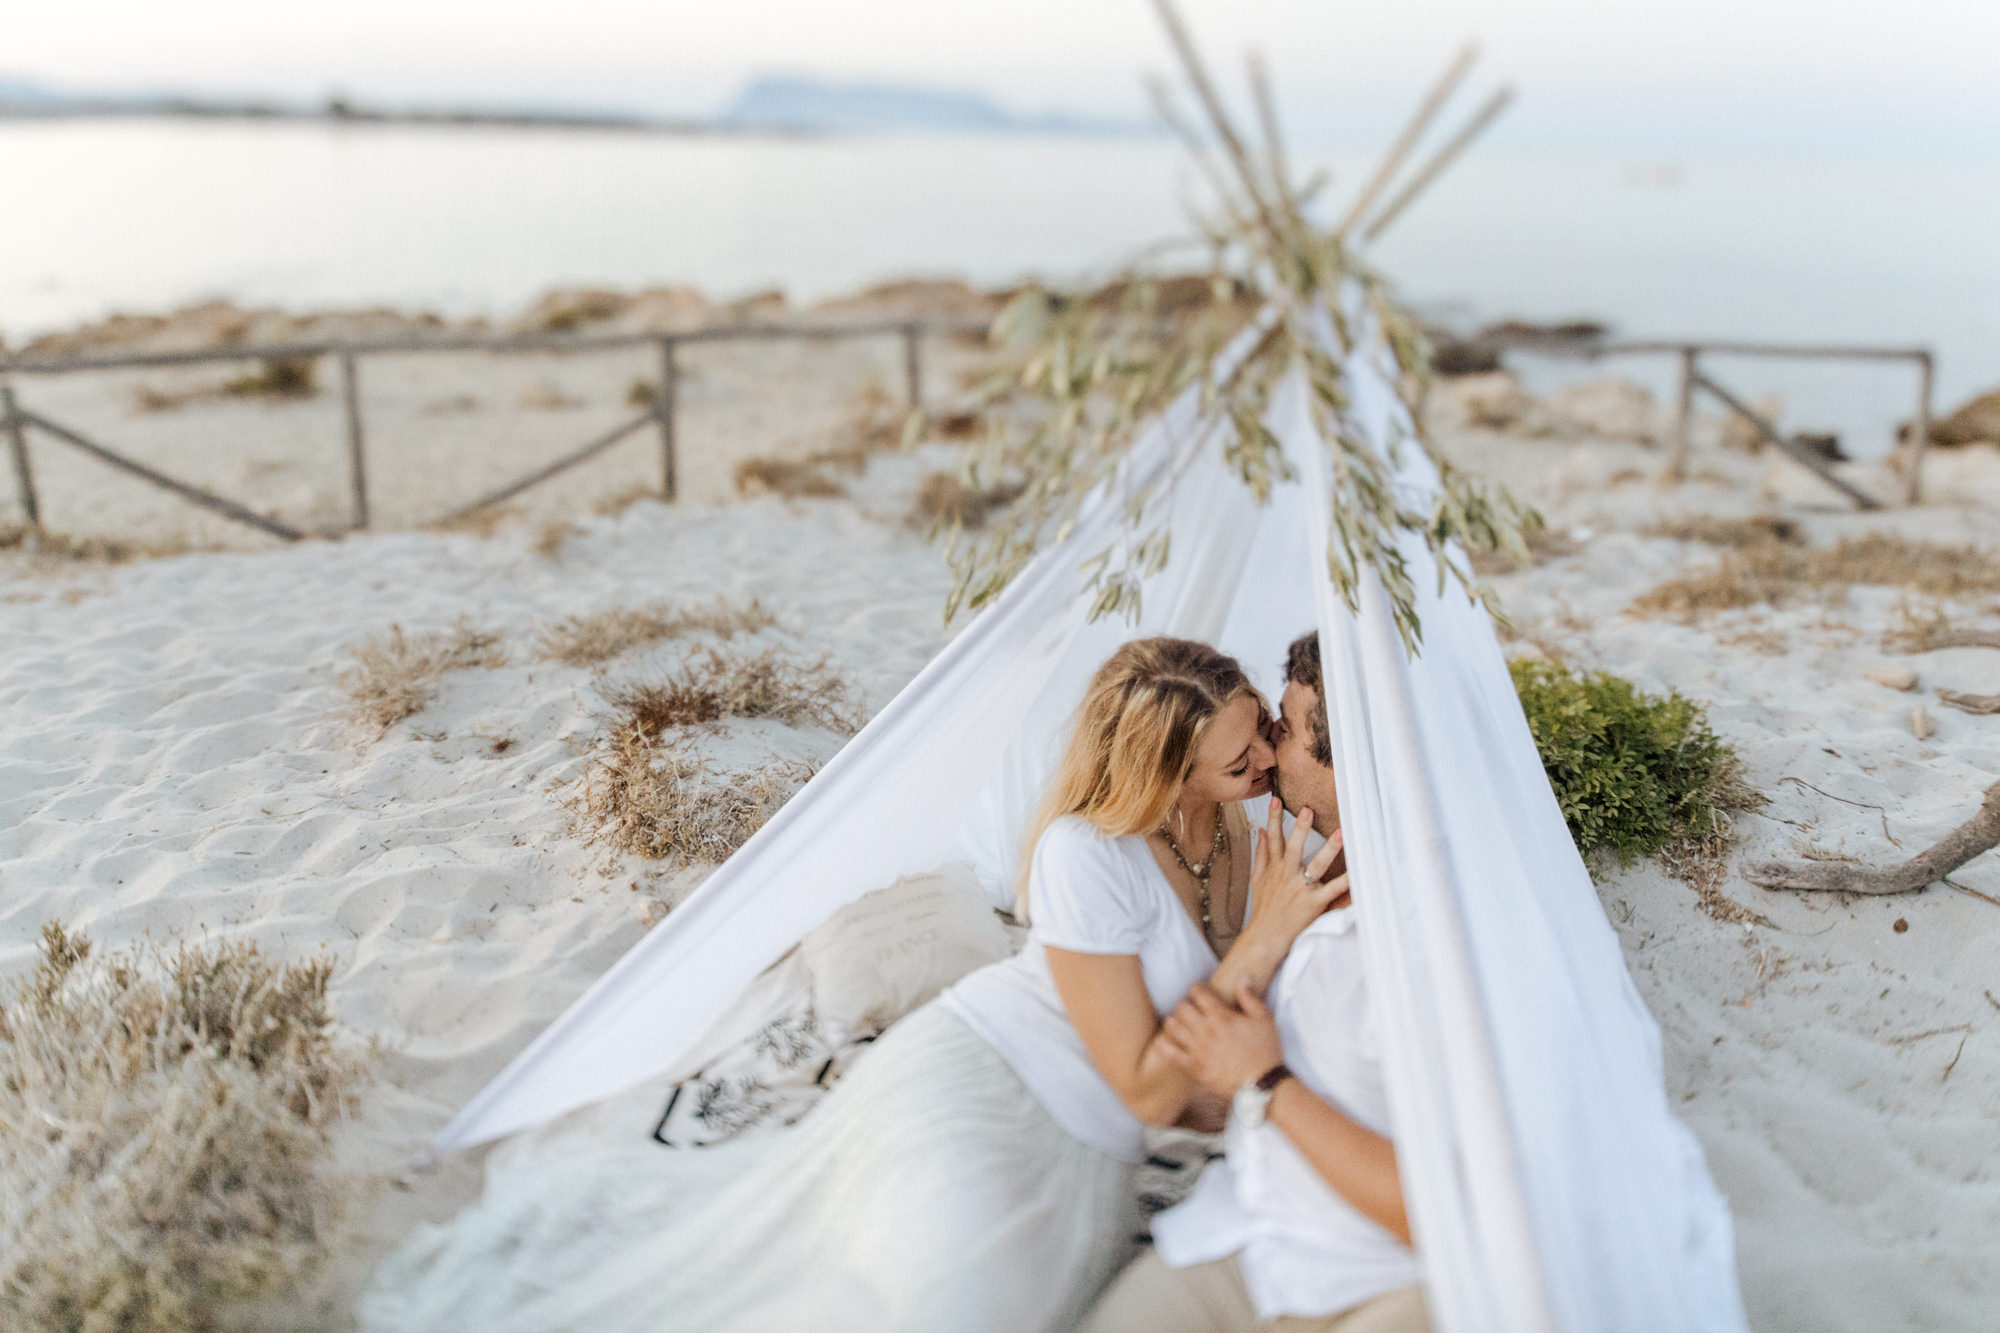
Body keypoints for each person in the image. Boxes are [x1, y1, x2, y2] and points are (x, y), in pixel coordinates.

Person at [359, 637, 1345, 1333]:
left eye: (1263, 732)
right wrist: (1262, 938)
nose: (1265, 758)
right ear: (1164, 767)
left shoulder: (1246, 838)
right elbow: (1146, 1082)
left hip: (1090, 1150)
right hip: (987, 1081)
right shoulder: (1085, 854)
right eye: (1240, 752)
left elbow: (1199, 1063)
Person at [1081, 631, 1431, 1333]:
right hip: (1245, 1232)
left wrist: (1266, 1080)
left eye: (1286, 729)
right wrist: (1268, 931)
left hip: (1379, 1275)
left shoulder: (1418, 946)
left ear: (1349, 765)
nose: (1268, 748)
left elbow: (1444, 1212)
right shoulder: (1291, 869)